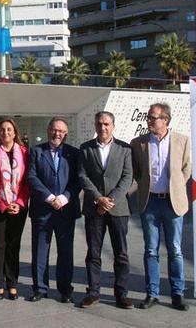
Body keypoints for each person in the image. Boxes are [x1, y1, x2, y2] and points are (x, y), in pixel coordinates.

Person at [131, 103, 192, 311]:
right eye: (148, 117)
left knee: (175, 249)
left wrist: (175, 187)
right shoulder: (138, 143)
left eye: (152, 117)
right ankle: (152, 293)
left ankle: (177, 293)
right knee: (151, 250)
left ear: (165, 119)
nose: (148, 120)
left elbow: (186, 169)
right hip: (151, 202)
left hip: (173, 202)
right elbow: (137, 172)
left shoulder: (181, 140)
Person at [77, 111, 134, 309]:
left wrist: (111, 200)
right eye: (99, 124)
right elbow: (83, 176)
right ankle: (93, 292)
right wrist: (98, 199)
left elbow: (128, 177)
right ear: (95, 125)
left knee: (121, 253)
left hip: (118, 208)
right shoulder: (85, 148)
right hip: (94, 208)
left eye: (107, 124)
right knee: (93, 253)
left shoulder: (125, 148)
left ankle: (121, 294)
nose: (103, 127)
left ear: (113, 126)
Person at [27, 117, 81, 303]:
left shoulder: (74, 153)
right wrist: (50, 198)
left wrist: (64, 197)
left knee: (65, 252)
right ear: (48, 130)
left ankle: (65, 289)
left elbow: (77, 180)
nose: (57, 133)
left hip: (66, 210)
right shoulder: (36, 151)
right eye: (53, 129)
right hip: (43, 208)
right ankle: (40, 288)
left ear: (65, 134)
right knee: (40, 251)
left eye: (61, 131)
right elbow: (32, 177)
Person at [0, 117, 29, 301]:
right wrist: (3, 204)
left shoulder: (25, 152)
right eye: (2, 130)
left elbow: (27, 182)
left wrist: (18, 202)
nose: (6, 132)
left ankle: (12, 283)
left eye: (9, 129)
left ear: (15, 132)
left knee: (13, 245)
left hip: (19, 206)